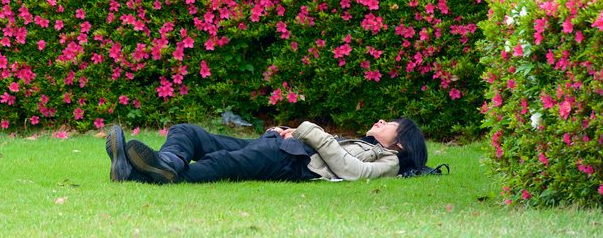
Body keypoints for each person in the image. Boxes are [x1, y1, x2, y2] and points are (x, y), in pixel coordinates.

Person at [105, 118, 428, 184]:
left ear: (400, 144)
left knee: (223, 162)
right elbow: (327, 147)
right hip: (280, 147)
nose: (382, 120)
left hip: (290, 162)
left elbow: (351, 171)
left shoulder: (389, 161)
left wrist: (308, 129)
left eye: (391, 124)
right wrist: (281, 133)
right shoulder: (365, 144)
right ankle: (167, 163)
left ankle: (141, 173)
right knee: (186, 132)